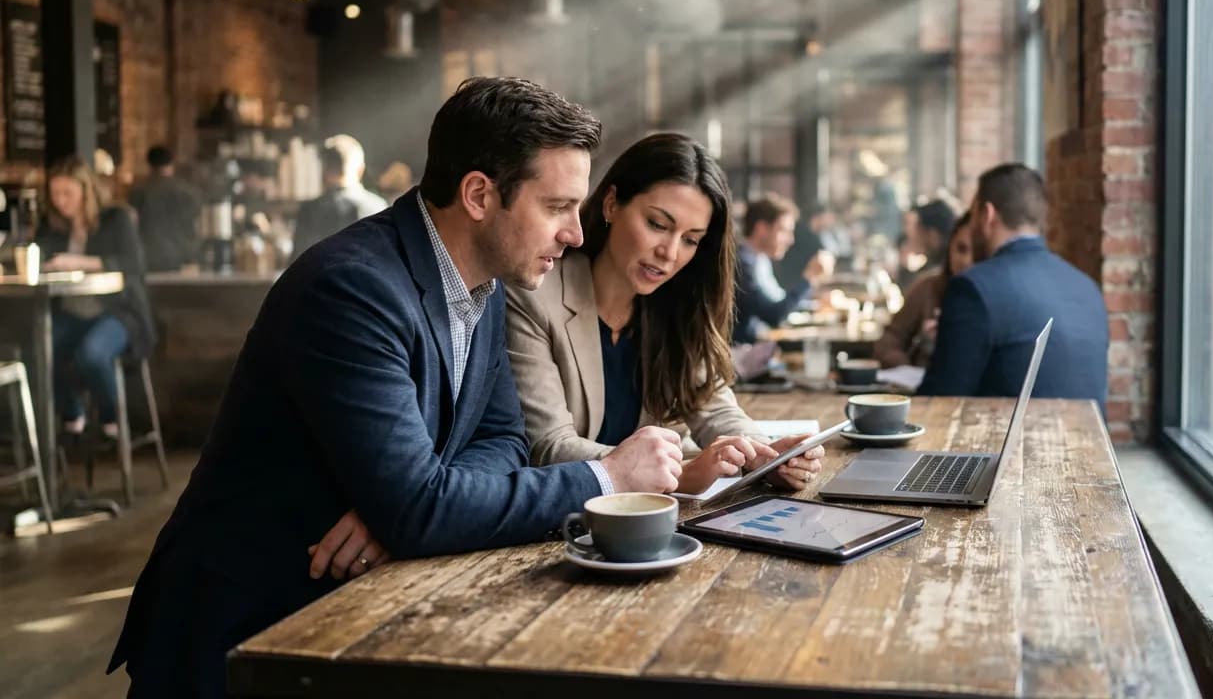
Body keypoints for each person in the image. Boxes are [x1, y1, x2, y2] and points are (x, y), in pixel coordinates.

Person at [109, 77, 684, 698]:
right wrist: (610, 480)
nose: (575, 233)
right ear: (478, 195)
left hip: (351, 610)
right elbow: (420, 507)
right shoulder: (352, 288)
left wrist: (413, 507)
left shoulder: (486, 281)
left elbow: (502, 439)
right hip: (240, 632)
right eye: (556, 207)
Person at [506, 133, 823, 494]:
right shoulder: (535, 295)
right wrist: (680, 475)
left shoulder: (676, 304)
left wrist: (764, 456)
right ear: (611, 204)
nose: (670, 253)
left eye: (690, 239)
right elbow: (548, 447)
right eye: (657, 224)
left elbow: (715, 409)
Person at [915, 164, 1109, 411]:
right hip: (1086, 447)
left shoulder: (972, 288)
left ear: (987, 215)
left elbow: (938, 402)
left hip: (1006, 447)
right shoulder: (1087, 287)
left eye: (973, 215)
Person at [34, 156, 157, 440]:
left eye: (68, 193)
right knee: (39, 351)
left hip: (118, 312)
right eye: (55, 194)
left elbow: (133, 263)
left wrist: (77, 262)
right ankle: (72, 413)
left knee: (92, 355)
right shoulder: (51, 226)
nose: (61, 201)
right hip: (73, 313)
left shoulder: (116, 219)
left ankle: (112, 419)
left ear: (86, 191)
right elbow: (37, 255)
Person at [875, 211, 974, 368]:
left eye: (977, 252)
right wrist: (904, 367)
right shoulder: (927, 287)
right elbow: (889, 340)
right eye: (961, 249)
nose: (967, 260)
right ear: (950, 247)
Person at [732, 193, 833, 344]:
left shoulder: (760, 260)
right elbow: (774, 315)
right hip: (742, 357)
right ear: (761, 229)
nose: (790, 240)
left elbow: (780, 302)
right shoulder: (742, 264)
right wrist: (809, 277)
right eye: (783, 231)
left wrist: (815, 304)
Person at [290, 134, 389, 259]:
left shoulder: (309, 211)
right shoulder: (379, 207)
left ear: (325, 170)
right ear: (360, 170)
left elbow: (297, 263)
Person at [128, 145, 200, 272]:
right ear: (172, 163)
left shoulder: (138, 192)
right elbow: (196, 224)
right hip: (182, 257)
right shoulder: (187, 191)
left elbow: (132, 224)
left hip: (148, 257)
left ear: (149, 164)